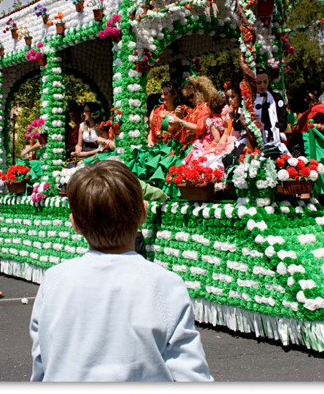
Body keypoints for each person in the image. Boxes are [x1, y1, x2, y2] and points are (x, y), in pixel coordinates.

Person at [29, 160, 212, 381]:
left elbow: (41, 361)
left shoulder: (54, 280)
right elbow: (190, 372)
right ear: (143, 214)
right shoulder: (165, 283)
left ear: (74, 223)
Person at [238, 57, 287, 156]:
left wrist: (270, 129)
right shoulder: (247, 99)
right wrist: (243, 121)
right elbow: (236, 125)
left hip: (272, 141)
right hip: (250, 141)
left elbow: (283, 123)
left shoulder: (276, 98)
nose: (262, 86)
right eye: (259, 83)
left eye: (265, 82)